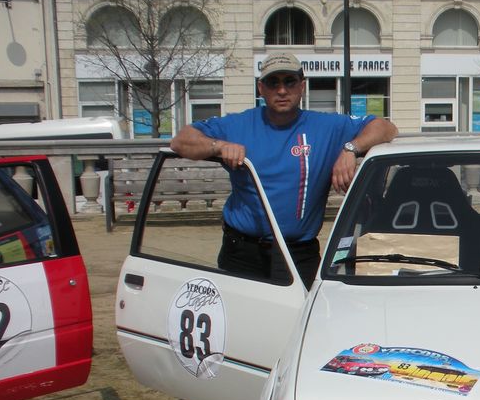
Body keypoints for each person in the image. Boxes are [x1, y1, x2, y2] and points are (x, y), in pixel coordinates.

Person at [170, 51, 398, 288]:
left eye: (289, 82)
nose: (281, 90)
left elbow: (386, 127)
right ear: (261, 88)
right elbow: (180, 141)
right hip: (242, 251)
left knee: (301, 312)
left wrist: (350, 149)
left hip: (298, 253)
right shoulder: (237, 125)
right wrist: (218, 146)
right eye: (273, 82)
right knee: (240, 312)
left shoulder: (327, 126)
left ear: (302, 86)